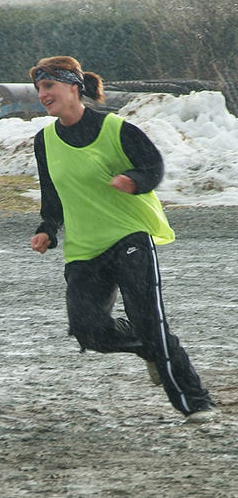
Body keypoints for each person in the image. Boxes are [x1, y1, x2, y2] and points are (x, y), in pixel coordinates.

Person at [28, 55, 216, 423]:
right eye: (38, 89)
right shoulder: (45, 140)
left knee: (148, 318)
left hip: (129, 235)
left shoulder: (116, 128)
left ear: (72, 86)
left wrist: (134, 180)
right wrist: (46, 229)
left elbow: (153, 166)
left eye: (48, 86)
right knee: (88, 330)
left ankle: (195, 402)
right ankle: (150, 346)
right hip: (85, 248)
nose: (42, 94)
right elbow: (52, 195)